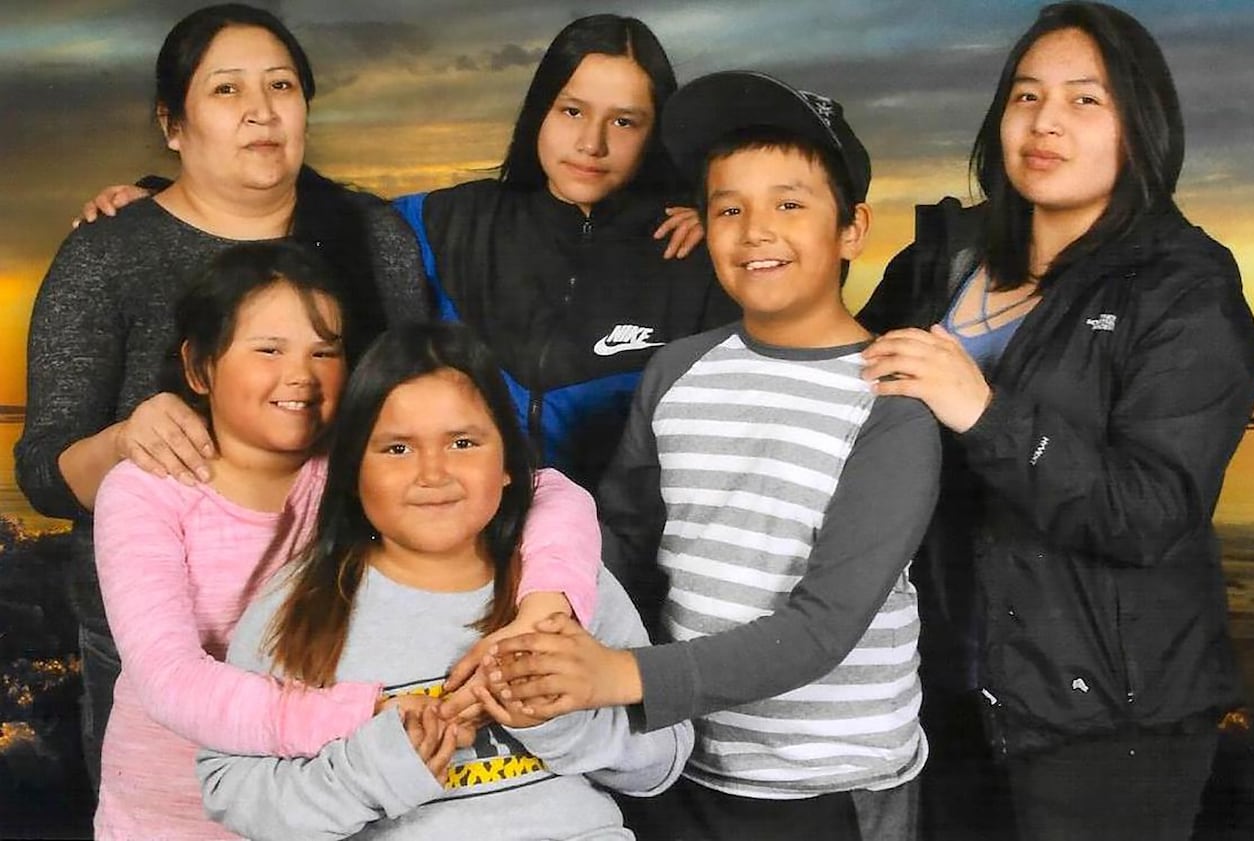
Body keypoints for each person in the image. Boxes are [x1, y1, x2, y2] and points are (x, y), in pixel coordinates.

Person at [484, 72, 943, 841]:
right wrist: (558, 633)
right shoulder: (678, 369)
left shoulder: (892, 399)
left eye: (789, 204)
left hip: (831, 782)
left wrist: (618, 677)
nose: (755, 230)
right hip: (687, 757)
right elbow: (624, 539)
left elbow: (823, 629)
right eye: (730, 208)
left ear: (852, 229)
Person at [855, 4, 1254, 840]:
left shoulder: (1183, 288)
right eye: (1026, 95)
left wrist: (982, 409)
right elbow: (837, 382)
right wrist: (734, 235)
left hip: (1110, 717)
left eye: (1087, 101)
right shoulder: (943, 260)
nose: (1046, 122)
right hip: (943, 685)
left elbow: (1149, 510)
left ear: (1141, 126)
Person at [13, 2, 432, 794]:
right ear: (173, 124)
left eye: (281, 86)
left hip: (339, 615)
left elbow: (408, 413)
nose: (261, 111)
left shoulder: (370, 237)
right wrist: (125, 438)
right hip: (160, 639)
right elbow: (41, 467)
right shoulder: (109, 252)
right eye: (227, 91)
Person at [81, 13, 740, 493]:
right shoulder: (442, 221)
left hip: (628, 579)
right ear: (539, 109)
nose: (591, 143)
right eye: (571, 111)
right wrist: (174, 193)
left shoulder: (692, 253)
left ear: (656, 134)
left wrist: (729, 220)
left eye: (624, 121)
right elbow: (307, 217)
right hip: (455, 556)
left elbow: (794, 338)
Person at [90, 242, 602, 840]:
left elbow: (544, 490)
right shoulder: (149, 487)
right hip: (177, 810)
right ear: (200, 368)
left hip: (334, 805)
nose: (300, 376)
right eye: (268, 350)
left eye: (324, 351)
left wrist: (547, 606)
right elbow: (167, 678)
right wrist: (364, 715)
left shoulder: (358, 466)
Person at [195, 321, 693, 840]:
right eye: (397, 449)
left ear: (507, 461)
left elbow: (663, 760)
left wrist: (562, 719)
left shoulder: (566, 589)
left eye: (462, 442)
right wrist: (374, 772)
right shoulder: (298, 605)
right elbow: (232, 791)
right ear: (352, 471)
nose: (433, 473)